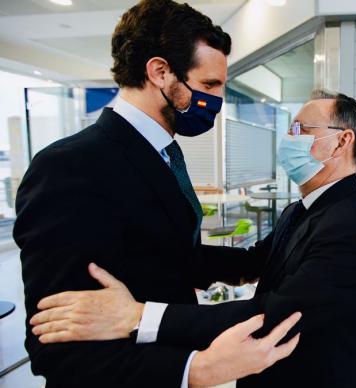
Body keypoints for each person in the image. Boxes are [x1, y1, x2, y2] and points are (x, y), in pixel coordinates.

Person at [13, 1, 302, 387]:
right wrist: (196, 371)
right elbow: (56, 346)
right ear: (160, 72)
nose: (217, 99)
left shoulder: (164, 152)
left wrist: (266, 257)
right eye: (209, 85)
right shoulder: (70, 167)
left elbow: (165, 253)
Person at [28, 90, 356, 388]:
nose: (288, 141)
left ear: (341, 141)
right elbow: (252, 262)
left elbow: (273, 314)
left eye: (299, 130)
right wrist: (158, 254)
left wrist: (138, 315)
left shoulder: (353, 228)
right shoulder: (301, 210)